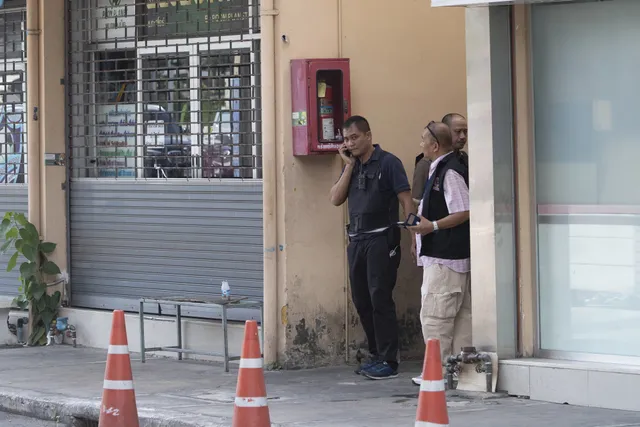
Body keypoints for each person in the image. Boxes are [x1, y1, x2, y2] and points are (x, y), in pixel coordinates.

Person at [330, 115, 415, 380]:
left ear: (368, 135)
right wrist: (348, 166)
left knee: (380, 296)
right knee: (361, 299)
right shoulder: (352, 167)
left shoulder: (389, 163)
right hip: (357, 240)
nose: (350, 143)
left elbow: (406, 201)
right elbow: (335, 199)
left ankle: (389, 360)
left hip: (382, 239)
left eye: (354, 137)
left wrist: (414, 236)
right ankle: (376, 354)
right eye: (345, 139)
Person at [408, 121, 471, 386]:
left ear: (434, 145)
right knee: (457, 319)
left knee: (436, 318)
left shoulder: (450, 171)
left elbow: (464, 210)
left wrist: (431, 226)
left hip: (446, 259)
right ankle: (456, 372)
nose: (420, 144)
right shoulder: (439, 168)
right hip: (443, 257)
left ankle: (438, 372)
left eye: (423, 140)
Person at [411, 113, 467, 207]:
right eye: (457, 131)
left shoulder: (464, 160)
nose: (463, 136)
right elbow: (417, 202)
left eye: (465, 132)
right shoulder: (426, 164)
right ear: (446, 132)